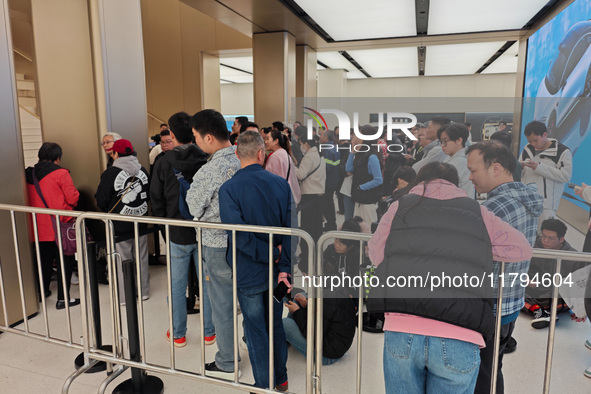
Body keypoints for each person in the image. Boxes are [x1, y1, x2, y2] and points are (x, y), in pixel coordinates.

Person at [368, 162, 532, 394]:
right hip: (460, 331)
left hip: (403, 325)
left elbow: (375, 254)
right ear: (456, 184)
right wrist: (479, 248)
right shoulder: (477, 211)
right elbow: (521, 248)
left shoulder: (400, 206)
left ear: (420, 181)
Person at [466, 140, 544, 394]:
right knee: (492, 368)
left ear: (496, 168)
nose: (470, 177)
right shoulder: (526, 198)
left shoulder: (493, 208)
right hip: (510, 302)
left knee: (480, 373)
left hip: (489, 305)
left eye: (474, 170)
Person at [219, 130, 292, 391]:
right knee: (275, 325)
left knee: (255, 331)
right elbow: (290, 231)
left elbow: (238, 236)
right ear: (262, 154)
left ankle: (263, 385)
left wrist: (268, 255)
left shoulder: (228, 189)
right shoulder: (281, 185)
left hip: (247, 271)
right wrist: (283, 266)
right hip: (275, 273)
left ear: (237, 154)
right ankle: (281, 379)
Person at [150, 111, 214, 347]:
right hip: (204, 230)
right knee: (207, 282)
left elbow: (155, 199)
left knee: (177, 286)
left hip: (176, 230)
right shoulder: (207, 159)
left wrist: (165, 227)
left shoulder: (163, 162)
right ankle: (209, 332)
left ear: (172, 134)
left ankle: (178, 334)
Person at [185, 109, 241, 379]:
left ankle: (228, 359)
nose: (195, 142)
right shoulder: (247, 159)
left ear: (208, 138)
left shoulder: (211, 169)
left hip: (217, 244)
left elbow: (194, 205)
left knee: (222, 303)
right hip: (247, 241)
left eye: (196, 137)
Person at [95, 139, 151, 304]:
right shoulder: (143, 170)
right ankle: (143, 292)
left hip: (119, 223)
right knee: (141, 257)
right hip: (141, 221)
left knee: (121, 258)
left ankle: (124, 296)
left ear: (115, 154)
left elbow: (101, 199)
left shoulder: (111, 173)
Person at [26, 142, 80, 310]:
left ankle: (42, 292)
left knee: (43, 260)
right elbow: (72, 198)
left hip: (37, 225)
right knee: (65, 260)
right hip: (58, 224)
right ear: (57, 158)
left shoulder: (29, 174)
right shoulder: (60, 173)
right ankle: (63, 299)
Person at [524, 218, 585, 329]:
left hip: (553, 293)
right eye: (543, 236)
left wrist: (581, 309)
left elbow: (579, 286)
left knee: (562, 296)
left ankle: (535, 308)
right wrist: (525, 278)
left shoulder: (573, 256)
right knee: (507, 288)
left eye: (551, 238)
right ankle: (539, 310)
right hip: (531, 288)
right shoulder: (532, 244)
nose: (545, 240)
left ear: (561, 239)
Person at [519, 120, 572, 225]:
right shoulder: (527, 149)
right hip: (525, 199)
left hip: (546, 204)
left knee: (545, 236)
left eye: (535, 140)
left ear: (544, 134)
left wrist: (539, 167)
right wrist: (519, 168)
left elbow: (565, 176)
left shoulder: (562, 151)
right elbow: (520, 171)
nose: (533, 144)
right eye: (530, 141)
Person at [295, 125, 326, 274]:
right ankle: (314, 258)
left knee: (308, 228)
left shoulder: (309, 156)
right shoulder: (319, 155)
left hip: (309, 197)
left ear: (305, 143)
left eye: (301, 144)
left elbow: (300, 174)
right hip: (319, 196)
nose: (301, 147)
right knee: (315, 229)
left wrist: (289, 164)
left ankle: (307, 261)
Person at [346, 125, 383, 226]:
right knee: (359, 232)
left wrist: (361, 187)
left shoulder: (372, 156)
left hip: (368, 201)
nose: (356, 138)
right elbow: (348, 169)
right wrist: (352, 152)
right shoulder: (360, 153)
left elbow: (378, 180)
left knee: (368, 232)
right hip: (358, 199)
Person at [264, 128, 301, 206]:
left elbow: (268, 180)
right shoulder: (284, 153)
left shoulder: (275, 156)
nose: (265, 142)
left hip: (280, 200)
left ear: (276, 141)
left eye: (267, 139)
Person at [438, 123, 475, 198]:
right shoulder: (453, 158)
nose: (442, 145)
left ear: (458, 140)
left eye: (445, 141)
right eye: (441, 142)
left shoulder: (460, 161)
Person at [318, 129, 340, 231]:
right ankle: (331, 223)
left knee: (327, 204)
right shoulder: (334, 147)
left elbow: (327, 167)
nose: (320, 137)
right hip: (333, 180)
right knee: (329, 203)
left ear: (326, 138)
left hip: (327, 181)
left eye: (321, 135)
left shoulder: (327, 149)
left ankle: (331, 224)